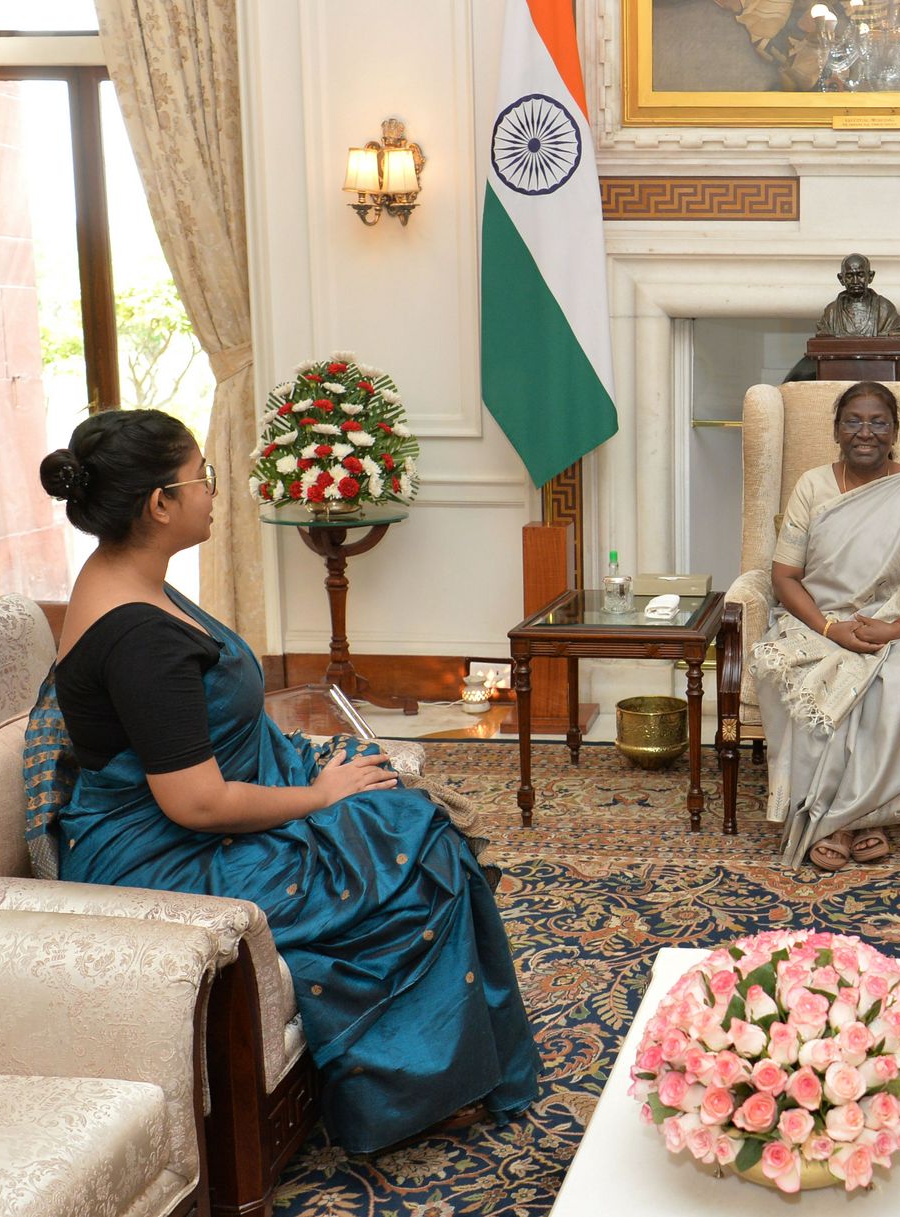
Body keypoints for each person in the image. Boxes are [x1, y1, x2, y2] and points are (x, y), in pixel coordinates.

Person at [31, 409, 540, 1155]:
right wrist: (319, 794)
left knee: (395, 810)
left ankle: (432, 1062)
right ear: (160, 504)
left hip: (180, 824)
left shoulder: (126, 577)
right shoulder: (138, 636)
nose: (215, 492)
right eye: (202, 476)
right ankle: (403, 1088)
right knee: (408, 839)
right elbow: (196, 802)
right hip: (162, 857)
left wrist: (309, 774)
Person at [751, 382, 900, 870]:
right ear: (836, 430)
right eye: (853, 421)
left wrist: (899, 628)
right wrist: (830, 630)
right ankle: (846, 820)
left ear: (894, 431)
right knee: (806, 675)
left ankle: (864, 815)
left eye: (878, 422)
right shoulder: (812, 486)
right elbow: (784, 577)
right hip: (818, 620)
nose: (865, 432)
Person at [814, 253, 900, 338]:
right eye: (849, 276)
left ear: (870, 276)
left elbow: (898, 334)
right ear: (841, 279)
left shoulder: (885, 309)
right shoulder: (831, 312)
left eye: (860, 275)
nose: (855, 281)